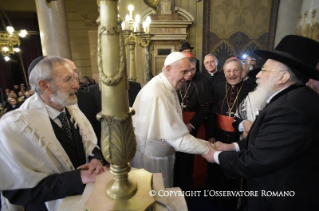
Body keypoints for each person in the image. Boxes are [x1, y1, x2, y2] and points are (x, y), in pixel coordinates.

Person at [202, 35, 319, 211]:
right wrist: (232, 147)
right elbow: (266, 142)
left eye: (264, 70)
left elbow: (257, 160)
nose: (257, 75)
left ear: (283, 77)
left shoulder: (290, 109)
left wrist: (215, 156)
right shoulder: (291, 98)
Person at [0, 56, 107, 211]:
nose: (77, 85)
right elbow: (17, 192)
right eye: (68, 79)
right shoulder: (14, 127)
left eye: (76, 77)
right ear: (45, 86)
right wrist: (77, 179)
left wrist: (95, 159)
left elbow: (90, 144)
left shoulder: (73, 110)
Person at [131, 52, 210, 188]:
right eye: (183, 72)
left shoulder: (166, 85)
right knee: (155, 195)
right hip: (152, 160)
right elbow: (176, 139)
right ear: (168, 69)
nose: (187, 77)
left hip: (163, 155)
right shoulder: (156, 93)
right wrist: (207, 148)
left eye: (189, 71)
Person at [206, 57, 255, 210]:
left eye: (235, 70)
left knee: (233, 170)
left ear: (242, 72)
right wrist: (211, 134)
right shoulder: (217, 88)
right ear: (224, 72)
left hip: (238, 138)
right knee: (216, 168)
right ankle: (214, 199)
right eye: (228, 71)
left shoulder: (251, 88)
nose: (232, 74)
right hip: (219, 134)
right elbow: (211, 114)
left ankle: (231, 203)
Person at [173, 52, 213, 191]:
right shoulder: (175, 79)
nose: (190, 74)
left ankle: (191, 187)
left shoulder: (203, 80)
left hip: (196, 124)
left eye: (193, 69)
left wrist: (191, 124)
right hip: (176, 123)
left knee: (193, 158)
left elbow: (206, 106)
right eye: (187, 70)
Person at [64, 59, 101, 146]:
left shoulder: (87, 96)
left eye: (76, 71)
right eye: (70, 73)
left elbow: (96, 127)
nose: (76, 75)